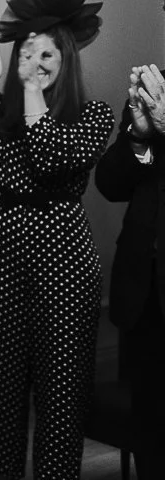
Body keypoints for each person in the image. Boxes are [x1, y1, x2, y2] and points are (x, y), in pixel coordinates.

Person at [0, 0, 113, 480]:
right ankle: (3, 471)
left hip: (62, 261)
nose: (35, 65)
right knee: (0, 386)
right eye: (27, 54)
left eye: (46, 55)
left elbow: (48, 158)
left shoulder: (93, 115)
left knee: (62, 390)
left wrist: (33, 96)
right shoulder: (2, 110)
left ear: (66, 61)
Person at [94, 55, 165, 478]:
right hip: (146, 291)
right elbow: (109, 184)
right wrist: (139, 140)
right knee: (150, 428)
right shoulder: (153, 89)